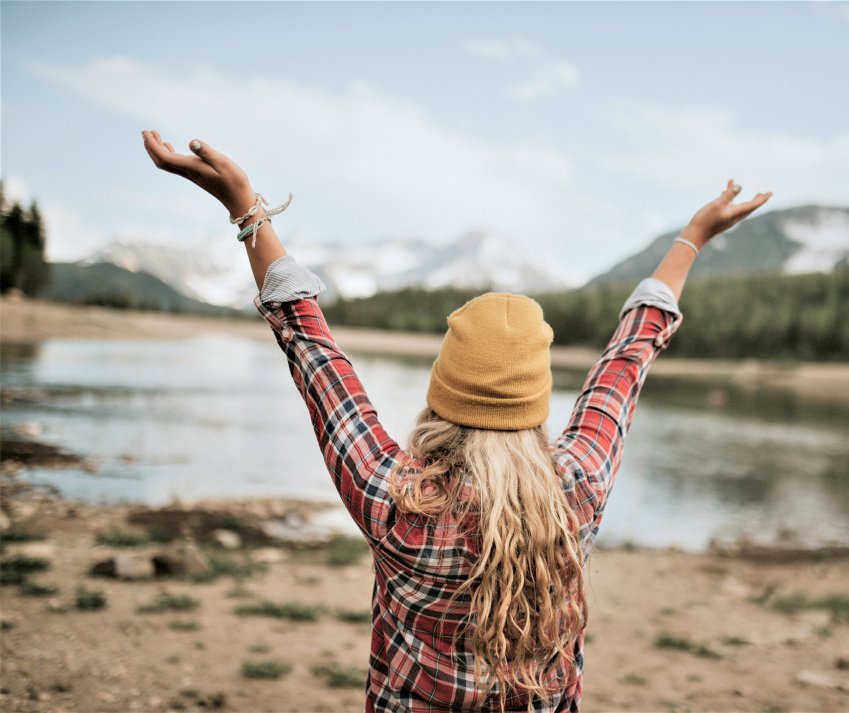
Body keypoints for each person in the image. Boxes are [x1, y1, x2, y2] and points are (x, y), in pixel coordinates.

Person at [141, 130, 771, 712]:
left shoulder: (393, 498)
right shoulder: (575, 491)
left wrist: (246, 208)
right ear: (534, 406)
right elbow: (626, 360)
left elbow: (312, 348)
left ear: (442, 396)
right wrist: (692, 238)